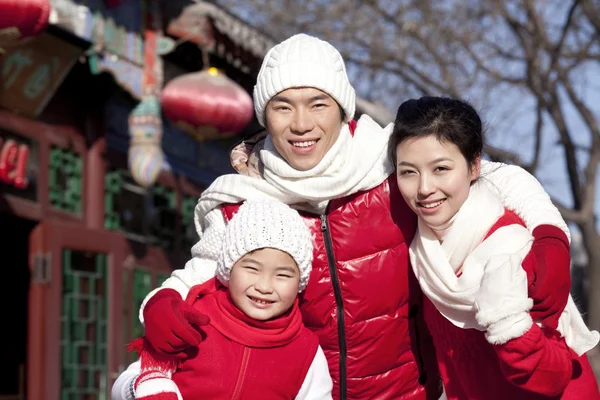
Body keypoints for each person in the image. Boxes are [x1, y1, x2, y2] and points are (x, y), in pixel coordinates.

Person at [113, 33, 573, 400]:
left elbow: (493, 176)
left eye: (317, 104)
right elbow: (204, 269)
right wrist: (162, 300)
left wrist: (551, 234)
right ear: (263, 115)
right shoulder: (246, 200)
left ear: (341, 108)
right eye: (282, 106)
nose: (301, 124)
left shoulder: (389, 165)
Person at [390, 96, 600, 399]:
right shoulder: (426, 252)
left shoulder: (512, 248)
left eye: (441, 169)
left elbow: (554, 376)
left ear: (475, 167)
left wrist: (509, 327)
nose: (424, 188)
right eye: (408, 172)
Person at [112, 199, 333, 400]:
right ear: (229, 267)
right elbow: (125, 384)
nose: (265, 286)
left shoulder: (306, 352)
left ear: (300, 282)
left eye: (283, 275)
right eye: (252, 269)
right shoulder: (193, 320)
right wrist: (145, 388)